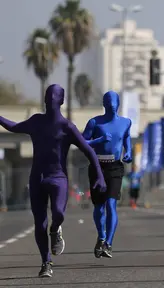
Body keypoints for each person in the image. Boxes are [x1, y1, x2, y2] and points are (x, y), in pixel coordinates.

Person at [0, 84, 106, 278]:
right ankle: (46, 262)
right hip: (37, 178)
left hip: (58, 178)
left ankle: (56, 229)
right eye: (48, 95)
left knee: (58, 213)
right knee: (39, 223)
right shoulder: (36, 121)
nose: (51, 98)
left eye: (55, 95)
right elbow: (13, 127)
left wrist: (99, 174)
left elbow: (88, 150)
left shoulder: (67, 127)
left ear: (62, 100)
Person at [82, 90, 132, 259]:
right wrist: (99, 141)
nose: (111, 104)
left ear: (118, 103)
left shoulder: (126, 122)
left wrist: (129, 151)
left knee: (111, 204)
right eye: (108, 101)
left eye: (114, 101)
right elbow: (82, 142)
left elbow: (126, 138)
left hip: (115, 167)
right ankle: (101, 236)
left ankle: (108, 243)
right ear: (103, 104)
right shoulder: (94, 123)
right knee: (99, 207)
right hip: (97, 167)